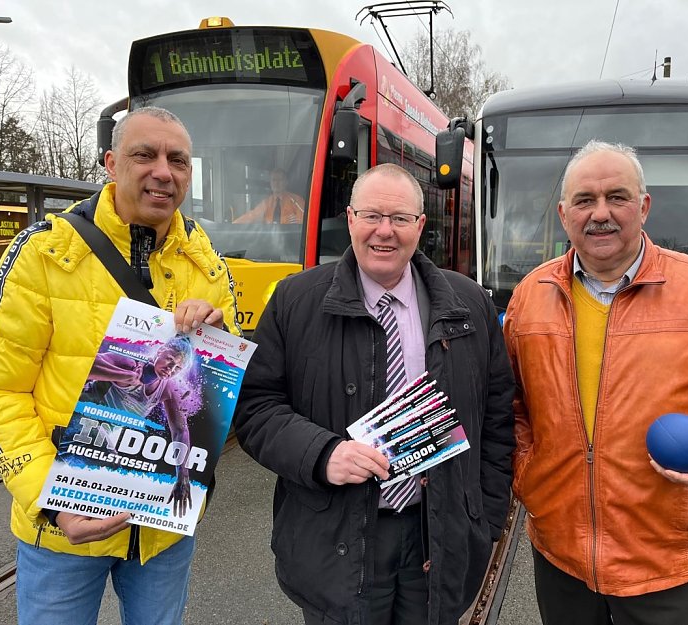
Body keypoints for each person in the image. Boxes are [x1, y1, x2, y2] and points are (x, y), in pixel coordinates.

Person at [0, 106, 237, 625]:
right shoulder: (43, 252)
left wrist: (218, 342)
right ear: (111, 163)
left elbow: (220, 395)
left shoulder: (205, 259)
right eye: (144, 155)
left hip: (162, 528)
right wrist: (51, 499)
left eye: (177, 160)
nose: (163, 171)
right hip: (62, 527)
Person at [503, 139, 688, 625]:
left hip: (670, 561)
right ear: (562, 213)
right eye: (584, 200)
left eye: (616, 197)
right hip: (561, 555)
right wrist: (526, 468)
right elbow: (509, 402)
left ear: (644, 206)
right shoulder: (530, 298)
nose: (600, 214)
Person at [234, 163, 515, 625]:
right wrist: (323, 453)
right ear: (350, 219)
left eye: (400, 219)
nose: (384, 231)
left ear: (420, 226)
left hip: (437, 534)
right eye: (371, 216)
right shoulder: (293, 301)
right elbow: (255, 407)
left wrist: (481, 517)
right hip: (334, 535)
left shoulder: (469, 304)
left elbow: (498, 417)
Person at [83, 334, 197, 518]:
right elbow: (83, 367)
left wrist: (183, 477)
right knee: (112, 467)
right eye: (169, 360)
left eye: (177, 367)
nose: (170, 368)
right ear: (159, 351)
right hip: (79, 421)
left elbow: (180, 430)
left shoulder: (168, 388)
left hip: (97, 437)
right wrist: (121, 375)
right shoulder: (128, 363)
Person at [232, 167, 306, 224]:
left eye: (280, 180)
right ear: (270, 183)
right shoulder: (266, 203)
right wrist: (233, 224)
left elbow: (305, 221)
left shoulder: (296, 200)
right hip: (271, 240)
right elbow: (252, 216)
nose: (276, 183)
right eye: (274, 180)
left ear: (286, 182)